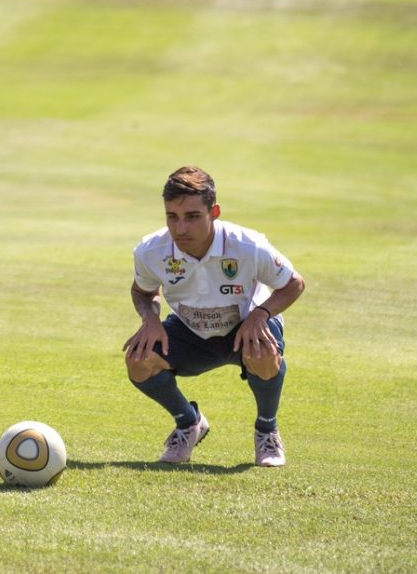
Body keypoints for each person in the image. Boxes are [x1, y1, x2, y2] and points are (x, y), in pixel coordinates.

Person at [123, 166, 305, 467]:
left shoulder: (248, 245)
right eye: (172, 217)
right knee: (139, 359)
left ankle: (266, 429)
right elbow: (142, 292)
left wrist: (261, 314)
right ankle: (188, 423)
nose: (180, 229)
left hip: (245, 326)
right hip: (189, 331)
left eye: (192, 216)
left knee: (262, 351)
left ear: (214, 212)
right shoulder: (150, 251)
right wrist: (150, 319)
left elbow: (294, 283)